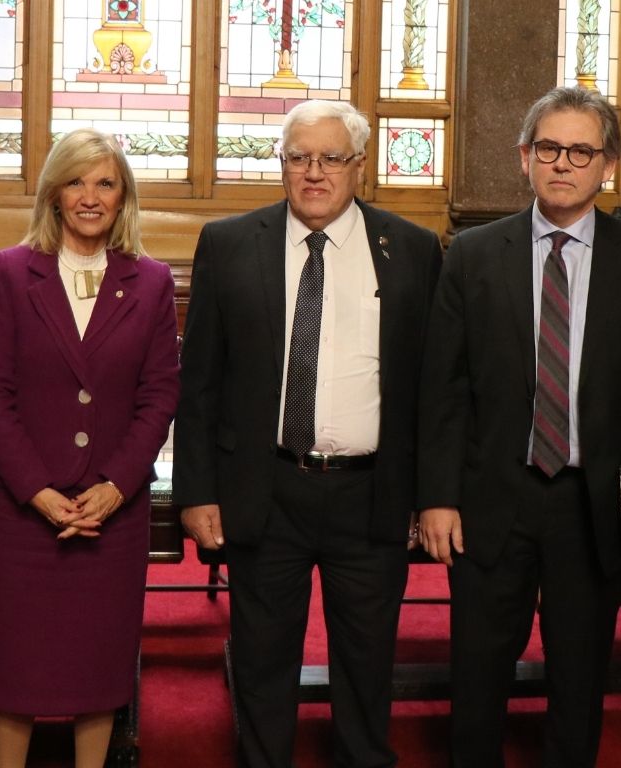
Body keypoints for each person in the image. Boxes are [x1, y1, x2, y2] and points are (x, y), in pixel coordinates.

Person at [415, 86, 621, 768]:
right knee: (478, 672)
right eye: (549, 149)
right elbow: (442, 390)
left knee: (580, 673)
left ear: (608, 165)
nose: (563, 164)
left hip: (592, 501)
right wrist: (437, 497)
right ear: (524, 158)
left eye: (581, 151)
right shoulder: (473, 254)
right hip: (490, 498)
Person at [173, 100, 442, 768]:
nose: (314, 172)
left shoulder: (410, 249)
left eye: (331, 158)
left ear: (360, 165)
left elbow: (432, 389)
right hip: (266, 486)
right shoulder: (230, 243)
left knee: (366, 663)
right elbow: (199, 378)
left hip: (371, 493)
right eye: (299, 157)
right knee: (262, 664)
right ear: (282, 164)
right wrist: (196, 490)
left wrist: (429, 493)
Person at [0, 128, 181, 768]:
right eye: (76, 182)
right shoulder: (10, 272)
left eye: (105, 183)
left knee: (99, 665)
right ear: (54, 193)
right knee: (18, 665)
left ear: (123, 198)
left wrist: (116, 485)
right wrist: (38, 491)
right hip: (25, 511)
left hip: (112, 513)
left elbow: (161, 395)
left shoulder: (151, 281)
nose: (90, 197)